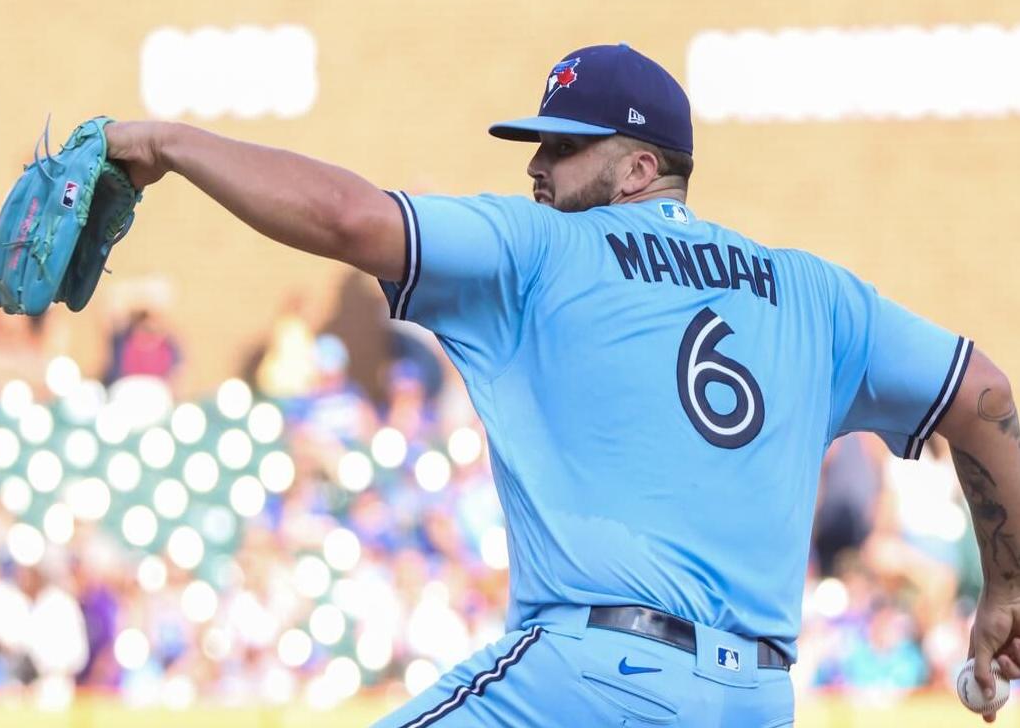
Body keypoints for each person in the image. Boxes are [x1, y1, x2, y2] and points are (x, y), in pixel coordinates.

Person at [102, 43, 1020, 726]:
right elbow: (984, 396)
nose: (536, 169)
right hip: (753, 698)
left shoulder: (542, 247)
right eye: (537, 147)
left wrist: (168, 142)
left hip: (592, 681)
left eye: (564, 149)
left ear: (639, 168)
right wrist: (1007, 587)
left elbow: (345, 216)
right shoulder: (815, 294)